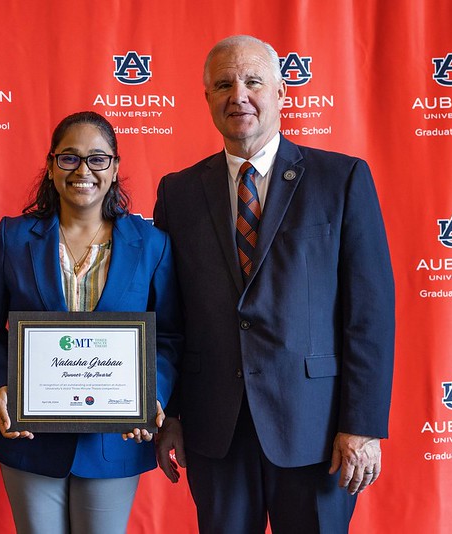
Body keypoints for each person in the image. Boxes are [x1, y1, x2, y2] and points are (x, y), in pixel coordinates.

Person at [153, 34, 395, 533]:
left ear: (282, 94)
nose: (238, 95)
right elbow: (168, 316)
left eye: (252, 81)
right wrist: (171, 412)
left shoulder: (342, 178)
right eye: (223, 84)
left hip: (317, 430)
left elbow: (369, 314)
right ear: (207, 100)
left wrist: (362, 424)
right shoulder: (177, 192)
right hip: (214, 427)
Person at [0, 111, 182, 534]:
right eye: (70, 158)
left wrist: (151, 392)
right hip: (29, 437)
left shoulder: (151, 245)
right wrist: (1, 388)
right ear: (50, 165)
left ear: (115, 168)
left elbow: (169, 334)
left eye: (98, 159)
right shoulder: (13, 237)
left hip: (115, 438)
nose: (83, 170)